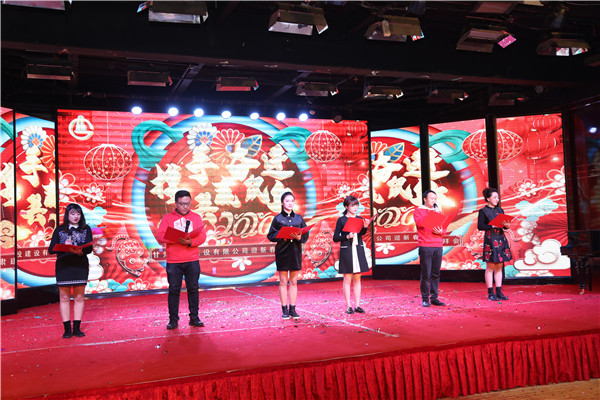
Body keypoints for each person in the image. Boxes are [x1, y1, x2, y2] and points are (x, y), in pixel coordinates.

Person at [157, 190, 207, 330]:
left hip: (192, 259)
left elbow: (202, 236)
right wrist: (177, 239)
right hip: (174, 261)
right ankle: (173, 320)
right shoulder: (168, 218)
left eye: (188, 203)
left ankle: (194, 318)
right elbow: (160, 236)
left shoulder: (196, 217)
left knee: (193, 288)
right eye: (182, 204)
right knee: (174, 289)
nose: (185, 206)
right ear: (176, 203)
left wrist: (190, 242)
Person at [48, 203, 94, 338]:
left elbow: (89, 248)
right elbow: (51, 249)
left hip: (80, 266)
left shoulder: (86, 229)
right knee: (64, 297)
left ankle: (77, 328)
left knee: (79, 297)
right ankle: (67, 329)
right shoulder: (59, 229)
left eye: (78, 214)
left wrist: (80, 250)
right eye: (73, 213)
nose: (76, 216)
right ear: (67, 215)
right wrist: (64, 245)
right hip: (64, 266)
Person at [267, 192, 309, 320]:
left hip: (295, 251)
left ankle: (293, 309)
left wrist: (300, 237)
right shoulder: (278, 219)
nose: (290, 203)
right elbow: (270, 235)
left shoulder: (299, 218)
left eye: (292, 201)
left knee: (294, 281)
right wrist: (282, 235)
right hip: (283, 252)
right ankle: (284, 309)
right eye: (287, 201)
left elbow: (305, 234)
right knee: (283, 281)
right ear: (282, 203)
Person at [333, 195, 370, 314]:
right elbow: (335, 238)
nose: (355, 208)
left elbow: (361, 233)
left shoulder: (359, 218)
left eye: (356, 205)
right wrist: (347, 236)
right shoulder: (341, 220)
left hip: (358, 249)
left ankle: (357, 305)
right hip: (347, 250)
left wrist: (365, 227)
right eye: (353, 205)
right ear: (346, 207)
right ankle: (348, 306)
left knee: (357, 278)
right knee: (347, 278)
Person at [413, 190, 447, 307]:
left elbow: (444, 228)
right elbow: (420, 224)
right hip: (425, 245)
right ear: (425, 199)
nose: (434, 201)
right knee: (426, 273)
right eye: (431, 198)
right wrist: (432, 214)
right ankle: (425, 298)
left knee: (435, 273)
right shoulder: (418, 211)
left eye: (435, 199)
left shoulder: (438, 211)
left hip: (438, 244)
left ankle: (434, 298)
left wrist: (441, 231)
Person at [478, 187, 512, 301]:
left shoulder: (500, 210)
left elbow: (504, 225)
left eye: (498, 197)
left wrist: (506, 226)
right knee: (490, 266)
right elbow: (480, 226)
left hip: (501, 239)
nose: (497, 199)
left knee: (499, 266)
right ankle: (490, 293)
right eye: (494, 197)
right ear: (488, 199)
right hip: (490, 240)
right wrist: (492, 225)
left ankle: (499, 291)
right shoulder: (483, 211)